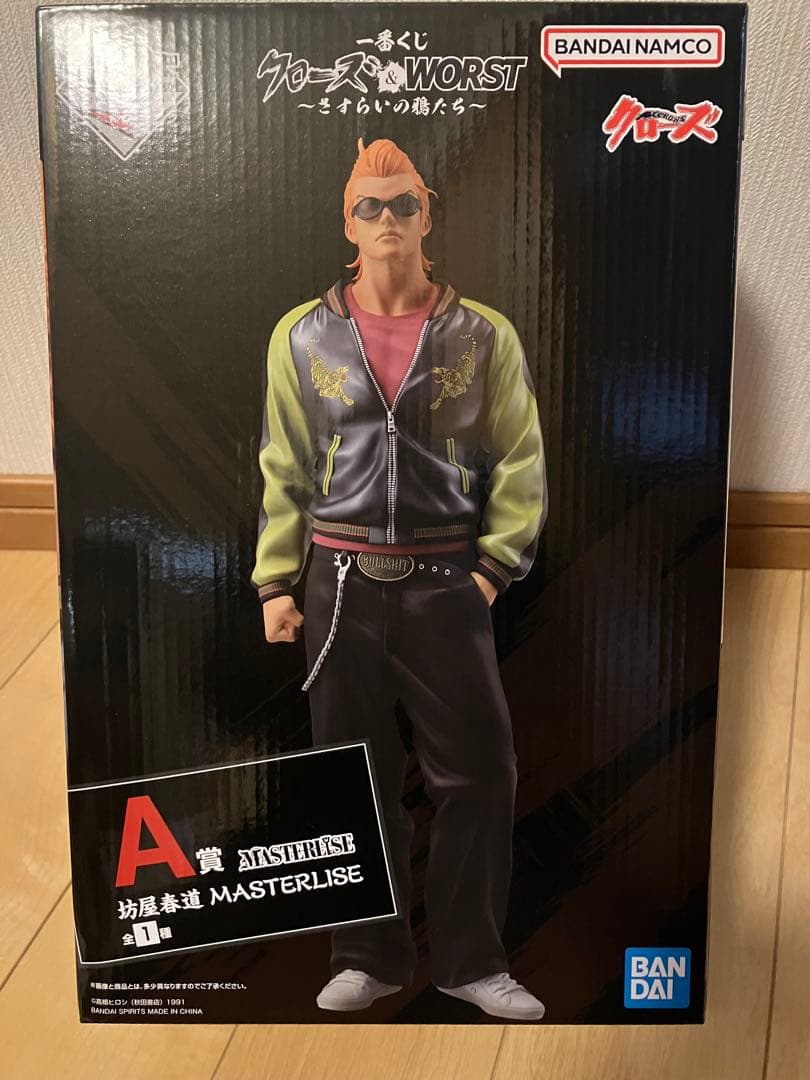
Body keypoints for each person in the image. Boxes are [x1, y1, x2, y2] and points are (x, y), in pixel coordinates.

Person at [252, 137, 547, 1020]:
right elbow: (283, 464)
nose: (388, 219)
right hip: (338, 579)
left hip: (445, 576)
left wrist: (490, 571)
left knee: (480, 775)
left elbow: (520, 458)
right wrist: (276, 583)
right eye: (370, 206)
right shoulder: (301, 335)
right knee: (352, 775)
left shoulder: (482, 335)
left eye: (404, 203)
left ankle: (471, 962)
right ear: (348, 222)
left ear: (428, 215)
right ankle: (365, 957)